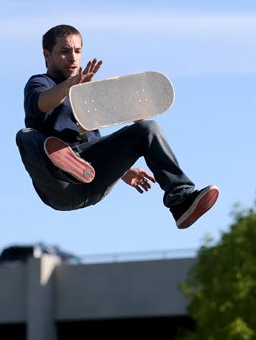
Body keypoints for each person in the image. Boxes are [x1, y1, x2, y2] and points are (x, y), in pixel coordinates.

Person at [16, 24, 219, 229]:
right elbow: (42, 103)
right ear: (47, 54)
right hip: (59, 187)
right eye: (64, 51)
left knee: (148, 129)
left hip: (92, 179)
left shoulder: (86, 95)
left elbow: (96, 143)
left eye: (78, 51)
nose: (73, 58)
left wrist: (124, 169)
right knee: (25, 136)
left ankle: (181, 200)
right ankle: (66, 168)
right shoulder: (40, 83)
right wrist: (70, 86)